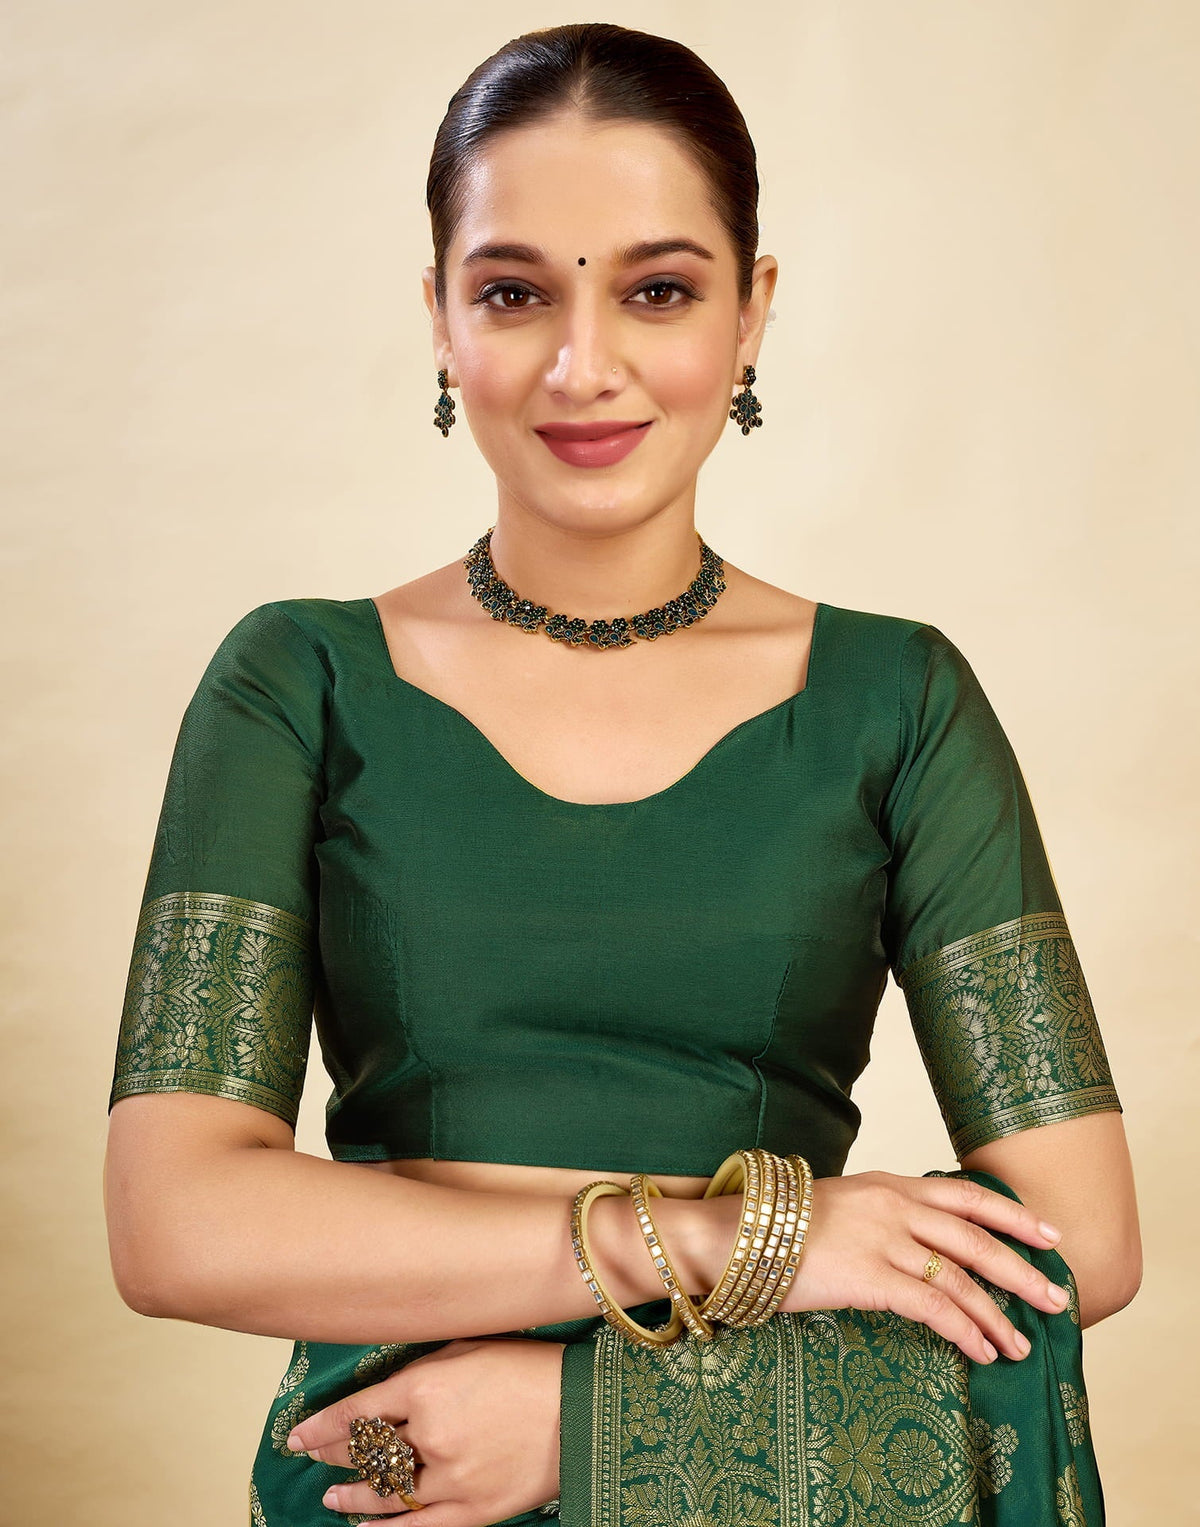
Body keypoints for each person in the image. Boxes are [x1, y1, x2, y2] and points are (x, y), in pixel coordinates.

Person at [103, 22, 1140, 1527]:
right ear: (439, 316)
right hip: (399, 1469)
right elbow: (175, 1222)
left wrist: (591, 1419)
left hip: (772, 1484)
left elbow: (1077, 1238)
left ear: (751, 311)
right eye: (514, 292)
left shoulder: (898, 704)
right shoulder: (299, 684)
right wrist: (727, 1242)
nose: (583, 367)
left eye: (658, 291)